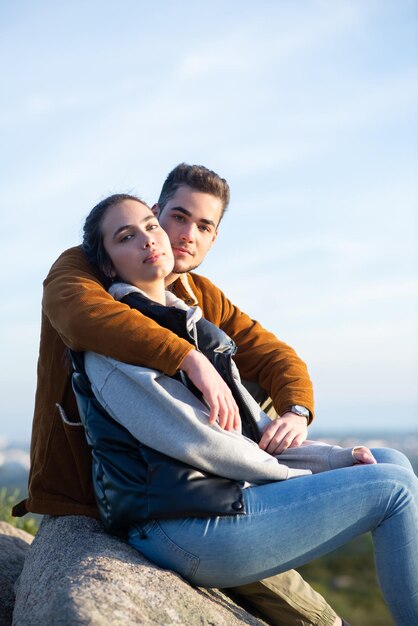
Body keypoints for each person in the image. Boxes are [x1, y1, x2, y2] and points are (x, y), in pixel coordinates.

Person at [8, 164, 386, 626]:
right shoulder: (84, 266)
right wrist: (189, 358)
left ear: (214, 238)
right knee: (313, 611)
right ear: (155, 212)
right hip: (113, 486)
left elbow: (274, 356)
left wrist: (297, 412)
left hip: (203, 477)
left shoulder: (197, 294)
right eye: (178, 217)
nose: (186, 235)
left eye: (203, 226)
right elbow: (81, 314)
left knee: (384, 473)